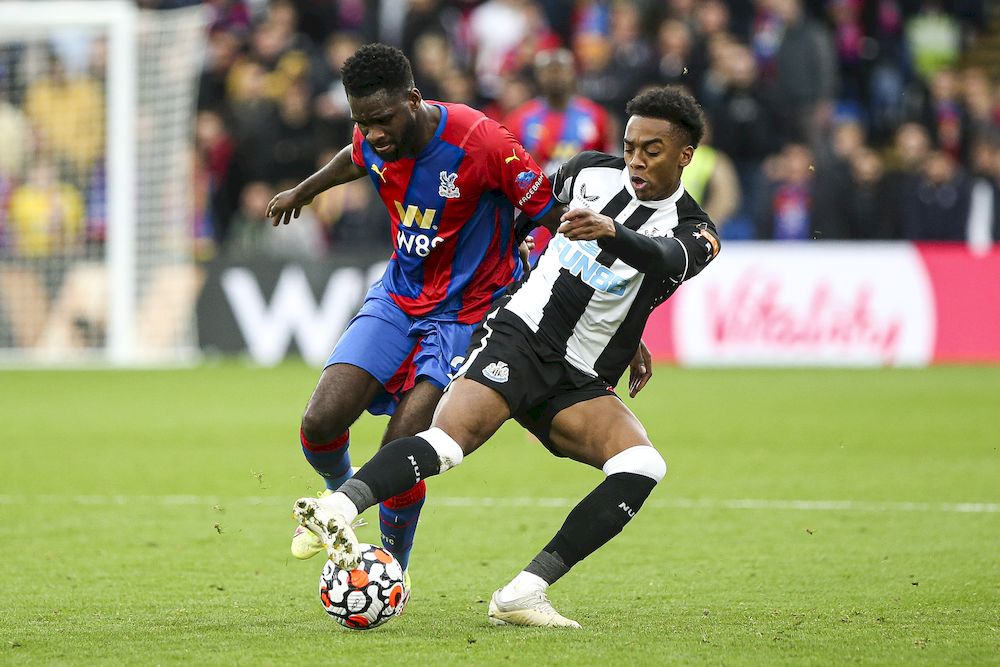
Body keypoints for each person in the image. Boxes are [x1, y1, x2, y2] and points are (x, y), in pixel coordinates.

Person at [292, 85, 721, 628]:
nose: (635, 159)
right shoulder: (587, 172)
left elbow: (661, 258)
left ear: (686, 155)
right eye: (631, 145)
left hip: (581, 379)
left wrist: (612, 241)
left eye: (652, 151)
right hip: (519, 337)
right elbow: (523, 210)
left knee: (642, 464)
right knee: (447, 442)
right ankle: (337, 508)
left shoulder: (696, 231)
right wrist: (511, 250)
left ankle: (523, 592)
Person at [265, 44, 568, 594]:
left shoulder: (483, 143)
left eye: (383, 120)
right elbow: (354, 156)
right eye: (363, 121)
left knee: (402, 446)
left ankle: (393, 568)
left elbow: (554, 214)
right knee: (320, 423)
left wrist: (603, 303)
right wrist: (303, 191)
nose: (375, 133)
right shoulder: (373, 134)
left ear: (413, 99)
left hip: (468, 314)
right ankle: (344, 508)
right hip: (398, 297)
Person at [503, 48, 616, 258]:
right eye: (549, 70)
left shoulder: (595, 116)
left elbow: (609, 166)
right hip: (537, 221)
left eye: (561, 69)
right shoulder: (520, 120)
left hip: (584, 213)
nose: (555, 76)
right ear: (538, 75)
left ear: (572, 72)